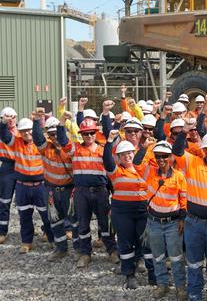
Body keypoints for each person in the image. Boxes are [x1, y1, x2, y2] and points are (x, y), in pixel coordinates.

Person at [173, 124, 207, 301]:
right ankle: (195, 295)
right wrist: (183, 132)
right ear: (203, 149)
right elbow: (177, 151)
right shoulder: (193, 162)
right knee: (194, 263)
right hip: (194, 223)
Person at [57, 117, 118, 268]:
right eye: (85, 133)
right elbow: (63, 140)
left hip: (100, 192)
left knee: (105, 223)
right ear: (81, 135)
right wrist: (61, 123)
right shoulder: (75, 148)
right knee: (83, 224)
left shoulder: (103, 150)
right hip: (81, 192)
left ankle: (112, 250)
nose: (89, 136)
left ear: (96, 133)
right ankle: (85, 253)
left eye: (91, 133)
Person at [103, 131, 155, 289]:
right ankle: (129, 274)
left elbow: (143, 164)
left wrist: (145, 148)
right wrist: (109, 141)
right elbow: (106, 160)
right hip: (122, 211)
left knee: (146, 242)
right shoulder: (116, 171)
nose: (127, 156)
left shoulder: (142, 169)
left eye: (129, 153)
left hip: (142, 210)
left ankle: (153, 274)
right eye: (123, 154)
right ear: (118, 157)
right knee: (125, 243)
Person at [1, 115, 54, 254]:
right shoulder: (16, 142)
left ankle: (52, 239)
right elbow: (5, 136)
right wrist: (3, 123)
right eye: (23, 130)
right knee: (24, 216)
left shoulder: (42, 143)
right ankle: (26, 242)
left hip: (40, 185)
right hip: (22, 186)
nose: (26, 133)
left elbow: (38, 134)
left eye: (29, 130)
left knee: (46, 215)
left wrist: (36, 121)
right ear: (19, 132)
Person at [143, 140, 188, 299]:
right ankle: (162, 284)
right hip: (154, 222)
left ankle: (180, 287)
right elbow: (136, 163)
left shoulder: (179, 176)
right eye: (158, 156)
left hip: (173, 223)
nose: (161, 159)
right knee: (158, 256)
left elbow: (184, 200)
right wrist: (147, 147)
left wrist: (182, 220)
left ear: (171, 157)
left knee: (176, 257)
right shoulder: (149, 172)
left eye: (164, 156)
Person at [37, 116, 77, 260]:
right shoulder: (45, 148)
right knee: (55, 221)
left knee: (75, 220)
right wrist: (37, 120)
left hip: (69, 190)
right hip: (52, 191)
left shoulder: (70, 147)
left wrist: (61, 125)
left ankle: (79, 250)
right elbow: (37, 138)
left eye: (56, 134)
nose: (54, 137)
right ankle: (61, 248)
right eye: (51, 134)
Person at [0, 107, 17, 244]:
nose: (11, 120)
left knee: (28, 201)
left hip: (22, 165)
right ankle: (2, 231)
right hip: (7, 167)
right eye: (7, 117)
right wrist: (3, 124)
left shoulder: (22, 131)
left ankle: (28, 229)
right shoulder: (1, 132)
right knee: (5, 201)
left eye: (13, 117)